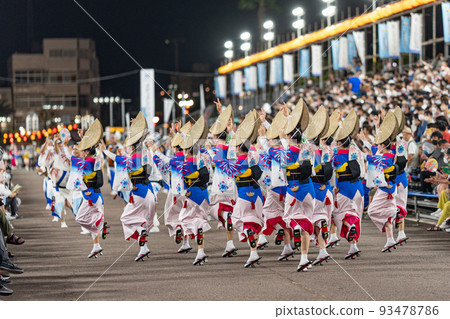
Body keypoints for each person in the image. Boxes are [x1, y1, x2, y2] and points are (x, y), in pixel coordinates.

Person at [103, 112, 156, 261]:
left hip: (139, 194)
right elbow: (148, 170)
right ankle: (143, 248)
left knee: (125, 218)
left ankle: (140, 232)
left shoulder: (129, 158)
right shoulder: (145, 154)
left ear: (130, 147)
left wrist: (103, 149)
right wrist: (135, 129)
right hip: (150, 194)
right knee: (145, 221)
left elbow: (114, 157)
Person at [67, 120, 108, 258]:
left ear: (85, 152)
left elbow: (73, 156)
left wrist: (80, 140)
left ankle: (100, 224)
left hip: (92, 197)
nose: (77, 150)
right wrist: (83, 137)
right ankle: (96, 246)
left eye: (80, 149)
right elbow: (89, 150)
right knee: (89, 224)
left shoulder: (84, 162)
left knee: (80, 219)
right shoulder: (93, 159)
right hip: (94, 196)